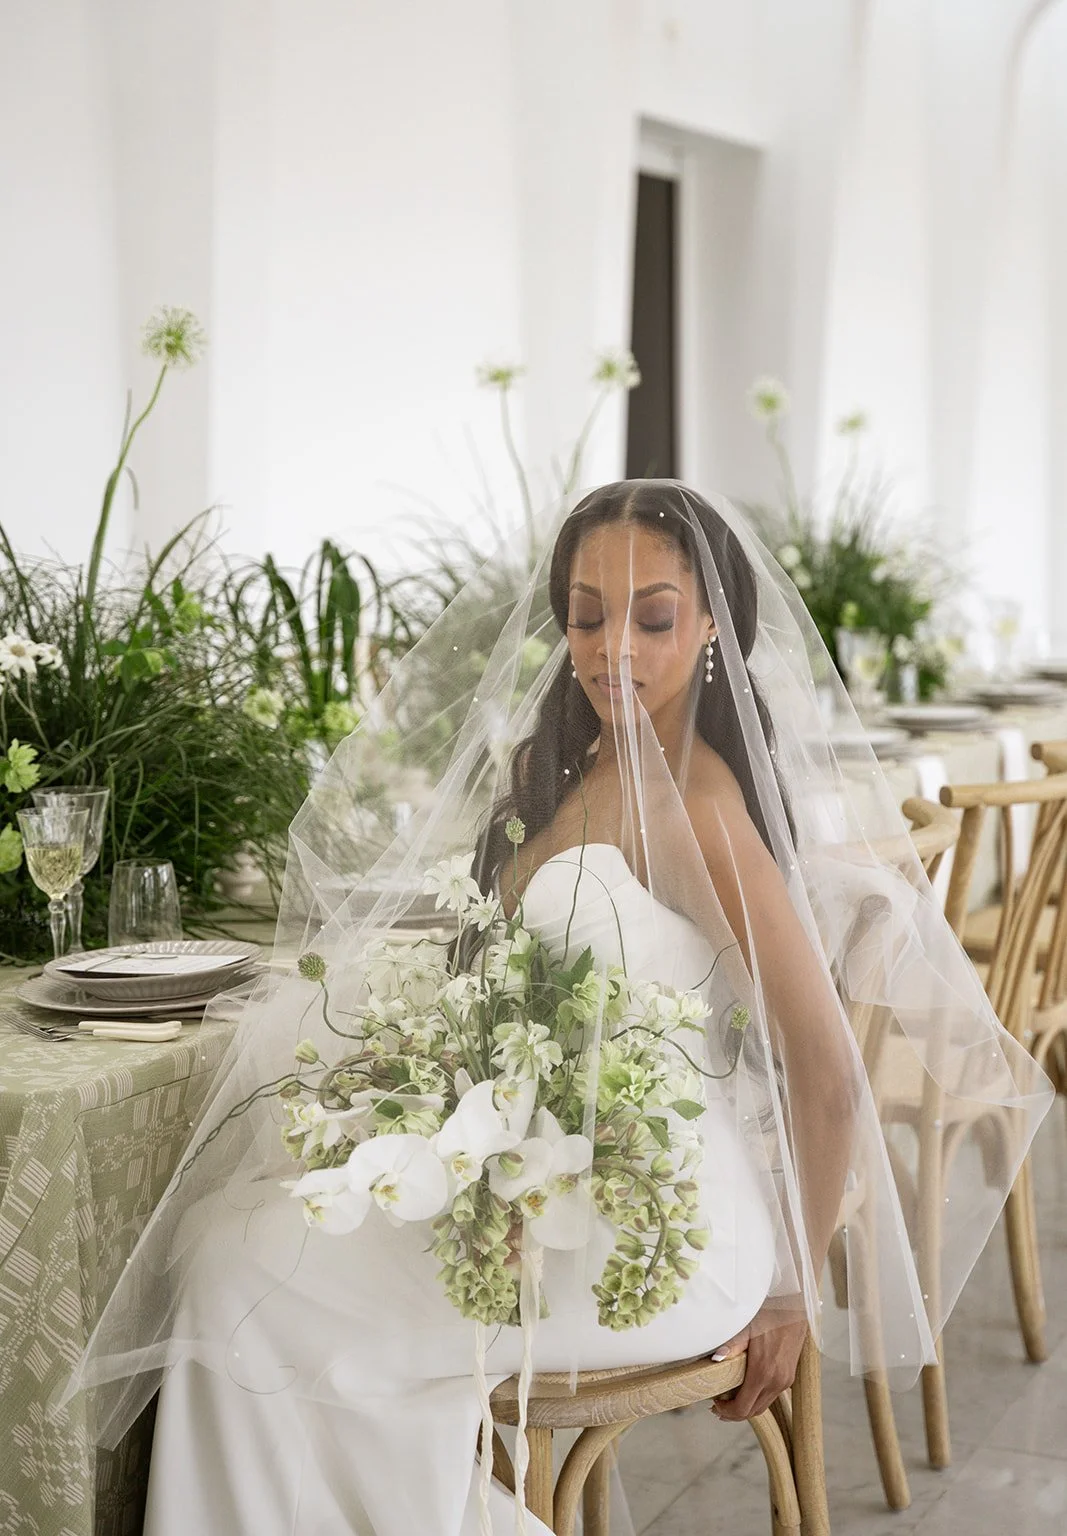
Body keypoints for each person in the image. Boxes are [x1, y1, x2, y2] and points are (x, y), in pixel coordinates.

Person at [70, 482, 1052, 1535]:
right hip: (552, 1192)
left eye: (653, 616)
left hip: (655, 1239)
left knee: (241, 1268)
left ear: (713, 624)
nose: (609, 647)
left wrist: (788, 1293)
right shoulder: (588, 765)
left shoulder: (700, 807)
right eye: (586, 614)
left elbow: (823, 1069)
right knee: (233, 1241)